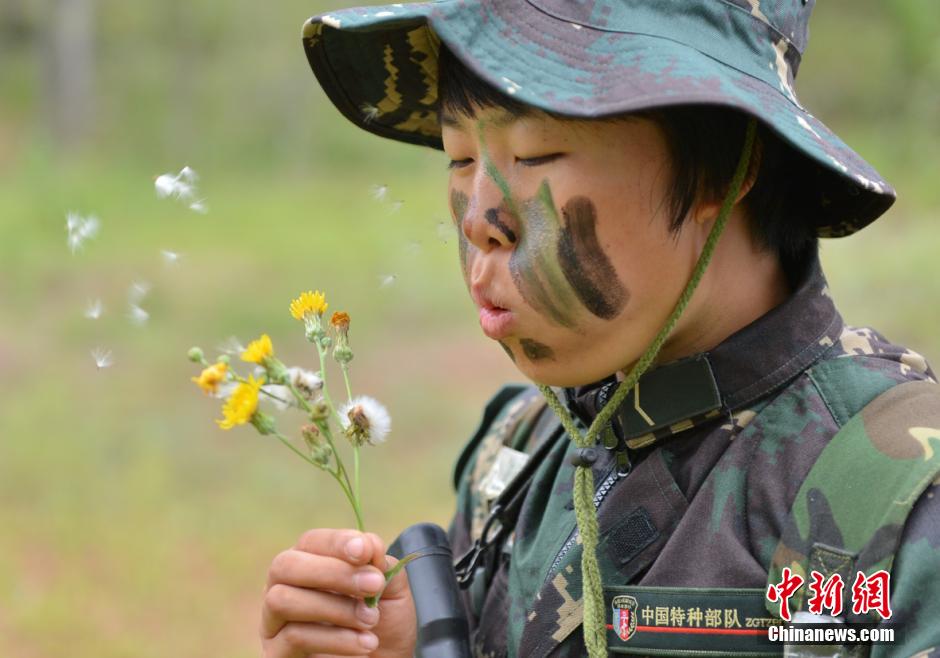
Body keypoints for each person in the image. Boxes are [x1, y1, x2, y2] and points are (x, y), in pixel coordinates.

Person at [261, 2, 940, 656]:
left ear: (722, 166)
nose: (479, 219)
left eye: (535, 155)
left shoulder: (898, 497)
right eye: (461, 158)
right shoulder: (521, 449)